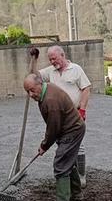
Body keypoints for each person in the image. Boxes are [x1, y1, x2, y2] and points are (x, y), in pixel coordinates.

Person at [23, 74, 85, 201]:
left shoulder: (50, 101)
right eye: (27, 91)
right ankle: (76, 194)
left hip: (72, 131)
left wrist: (44, 146)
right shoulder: (46, 89)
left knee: (61, 164)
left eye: (32, 90)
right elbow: (55, 127)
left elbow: (53, 128)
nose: (30, 94)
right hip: (71, 128)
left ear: (40, 84)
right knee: (68, 162)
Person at [34, 45, 92, 186]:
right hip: (59, 114)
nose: (52, 62)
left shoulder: (76, 69)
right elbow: (34, 77)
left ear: (62, 55)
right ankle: (71, 176)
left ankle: (81, 176)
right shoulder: (51, 71)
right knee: (63, 143)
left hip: (74, 113)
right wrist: (34, 60)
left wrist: (82, 110)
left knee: (79, 145)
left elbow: (86, 89)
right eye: (50, 59)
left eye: (54, 58)